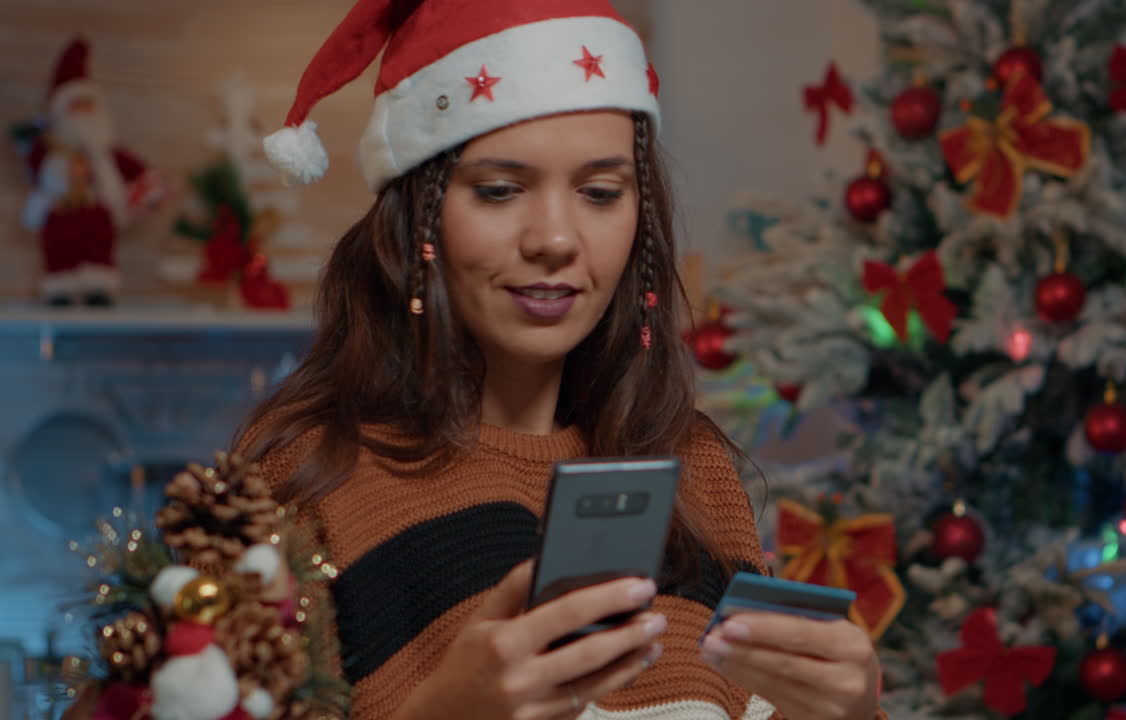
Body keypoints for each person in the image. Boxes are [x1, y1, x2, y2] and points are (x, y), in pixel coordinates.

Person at [242, 1, 885, 718]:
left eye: (600, 193)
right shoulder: (305, 474)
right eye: (499, 190)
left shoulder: (694, 464)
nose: (554, 239)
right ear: (417, 217)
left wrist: (850, 712)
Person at [20, 36, 163, 306]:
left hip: (97, 211)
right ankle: (59, 287)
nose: (84, 113)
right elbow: (33, 161)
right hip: (62, 209)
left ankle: (99, 287)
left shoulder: (106, 151)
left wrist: (150, 189)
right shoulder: (52, 149)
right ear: (62, 111)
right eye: (77, 106)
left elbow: (139, 171)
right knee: (59, 244)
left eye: (89, 105)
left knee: (99, 242)